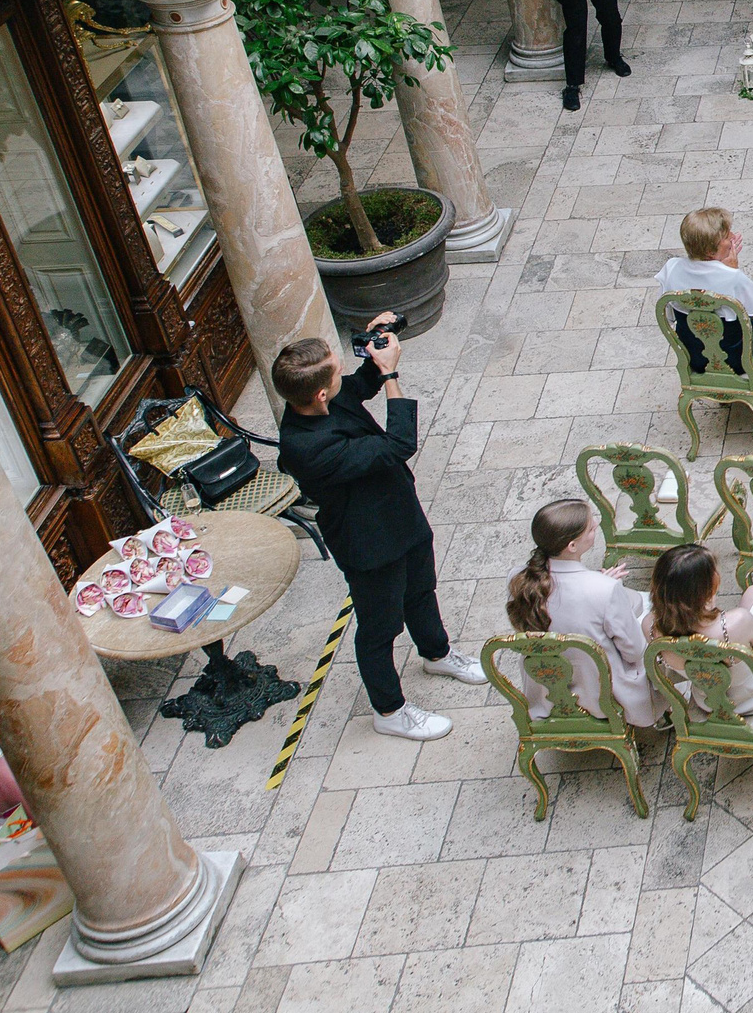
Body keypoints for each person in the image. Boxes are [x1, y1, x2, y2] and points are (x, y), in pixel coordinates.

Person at [273, 318, 479, 741]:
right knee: (379, 628)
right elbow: (398, 444)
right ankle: (389, 710)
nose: (342, 375)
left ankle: (436, 653)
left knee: (422, 589)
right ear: (319, 394)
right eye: (336, 372)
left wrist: (377, 348)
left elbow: (358, 386)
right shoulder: (305, 446)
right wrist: (390, 375)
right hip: (369, 543)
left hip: (399, 515)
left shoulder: (321, 400)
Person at [504, 499, 660, 728]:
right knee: (649, 612)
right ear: (572, 546)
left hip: (545, 694)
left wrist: (599, 583)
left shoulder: (517, 578)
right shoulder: (604, 590)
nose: (596, 524)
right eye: (590, 527)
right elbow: (634, 652)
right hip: (602, 696)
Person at [645, 544, 753, 716]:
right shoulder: (738, 622)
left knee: (751, 598)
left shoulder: (649, 627)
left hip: (709, 703)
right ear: (704, 590)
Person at [656, 207, 753, 401]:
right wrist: (733, 272)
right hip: (734, 359)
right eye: (728, 237)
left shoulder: (671, 268)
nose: (733, 238)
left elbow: (669, 315)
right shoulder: (732, 278)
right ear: (711, 252)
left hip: (694, 355)